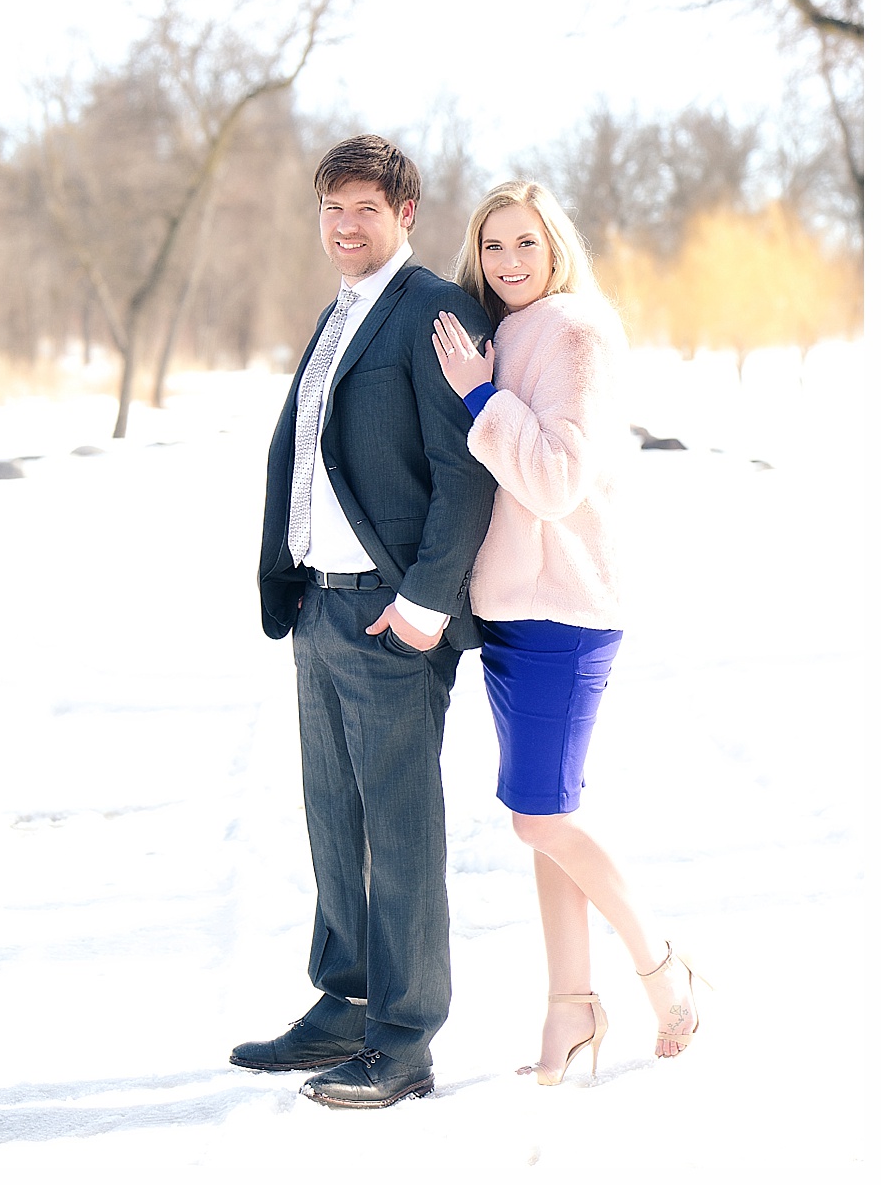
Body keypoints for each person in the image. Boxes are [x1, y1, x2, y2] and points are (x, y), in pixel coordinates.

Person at [234, 135, 496, 1108]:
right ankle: (344, 1001)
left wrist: (426, 603)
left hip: (391, 615)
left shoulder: (435, 311)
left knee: (401, 827)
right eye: (333, 209)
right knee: (333, 820)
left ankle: (404, 1037)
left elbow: (466, 473)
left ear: (405, 218)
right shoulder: (338, 313)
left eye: (366, 211)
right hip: (317, 604)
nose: (346, 226)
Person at [430, 180, 702, 1085]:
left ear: (555, 250)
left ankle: (661, 967)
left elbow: (554, 481)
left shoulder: (577, 331)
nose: (509, 263)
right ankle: (570, 1013)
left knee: (537, 818)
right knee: (549, 821)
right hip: (512, 610)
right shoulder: (504, 330)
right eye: (494, 246)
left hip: (566, 607)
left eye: (526, 246)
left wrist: (479, 399)